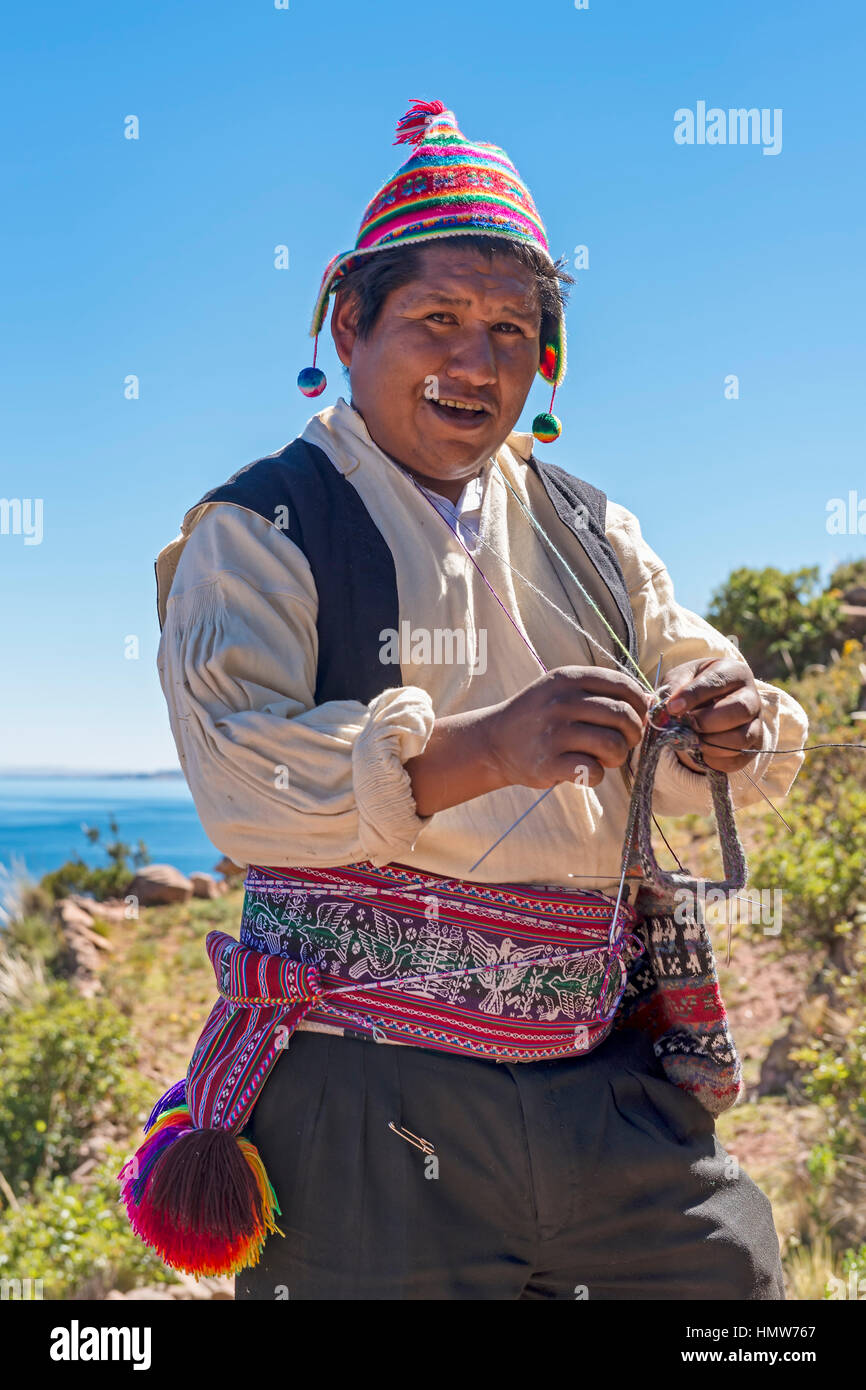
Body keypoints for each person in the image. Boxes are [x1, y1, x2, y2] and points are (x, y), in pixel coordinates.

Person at [135, 99, 808, 1301]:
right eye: (436, 319)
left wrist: (726, 721)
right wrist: (485, 749)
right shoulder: (263, 525)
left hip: (602, 1073)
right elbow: (239, 776)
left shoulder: (593, 530)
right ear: (349, 324)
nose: (475, 362)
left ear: (543, 357)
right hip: (362, 1097)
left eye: (510, 328)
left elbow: (701, 685)